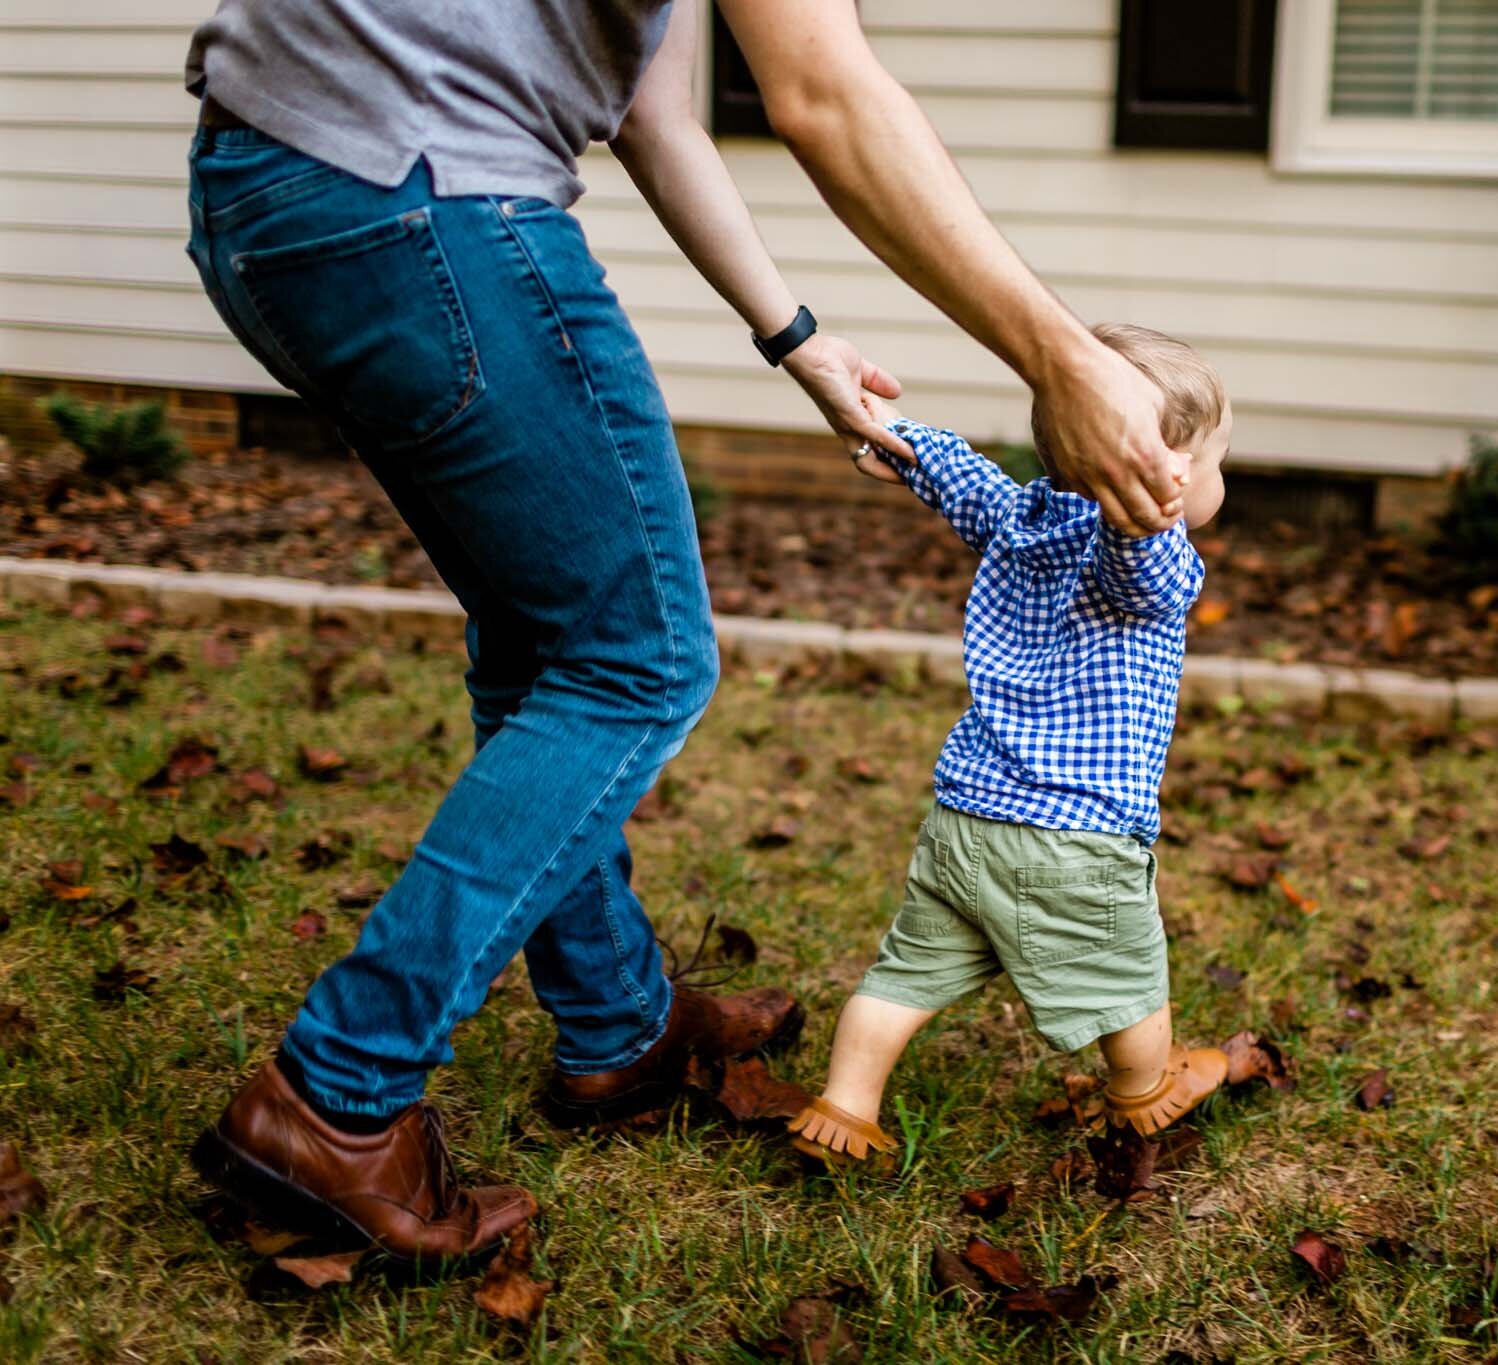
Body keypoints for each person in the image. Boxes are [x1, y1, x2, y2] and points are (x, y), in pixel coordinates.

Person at [179, 0, 1193, 1260]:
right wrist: (1060, 360)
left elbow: (649, 106)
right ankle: (336, 1095)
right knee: (634, 660)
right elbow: (821, 90)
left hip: (263, 194)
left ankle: (615, 1026)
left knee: (546, 637)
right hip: (425, 204)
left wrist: (797, 342)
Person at [786, 324, 1233, 1166]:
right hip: (1075, 838)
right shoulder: (1156, 558)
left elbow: (958, 475)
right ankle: (1145, 1089)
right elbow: (1137, 565)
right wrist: (1144, 509)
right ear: (1161, 473)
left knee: (907, 972)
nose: (1215, 482)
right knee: (1125, 971)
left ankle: (846, 1105)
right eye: (1213, 463)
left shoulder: (1019, 514)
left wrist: (895, 434)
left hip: (964, 819)